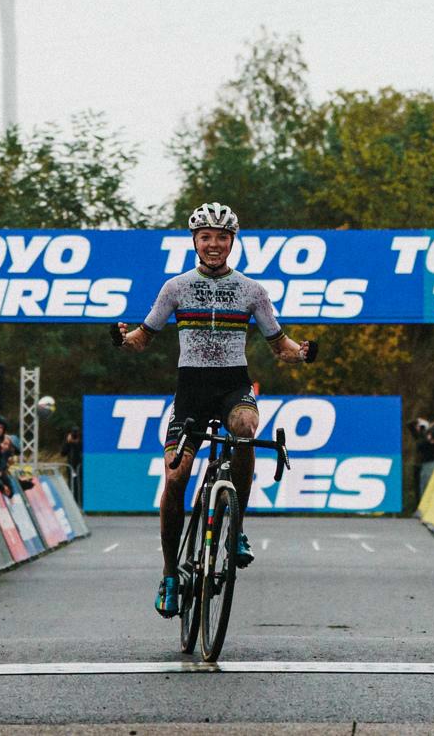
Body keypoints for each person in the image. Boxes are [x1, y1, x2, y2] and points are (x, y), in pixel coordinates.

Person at [115, 202, 309, 619]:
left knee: (245, 427)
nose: (215, 244)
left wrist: (303, 353)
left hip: (232, 385)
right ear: (195, 242)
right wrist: (122, 339)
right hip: (191, 391)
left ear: (232, 241)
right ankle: (170, 575)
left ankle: (235, 530)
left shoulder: (252, 291)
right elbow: (143, 337)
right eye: (207, 237)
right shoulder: (176, 288)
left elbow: (280, 347)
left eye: (222, 237)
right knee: (176, 474)